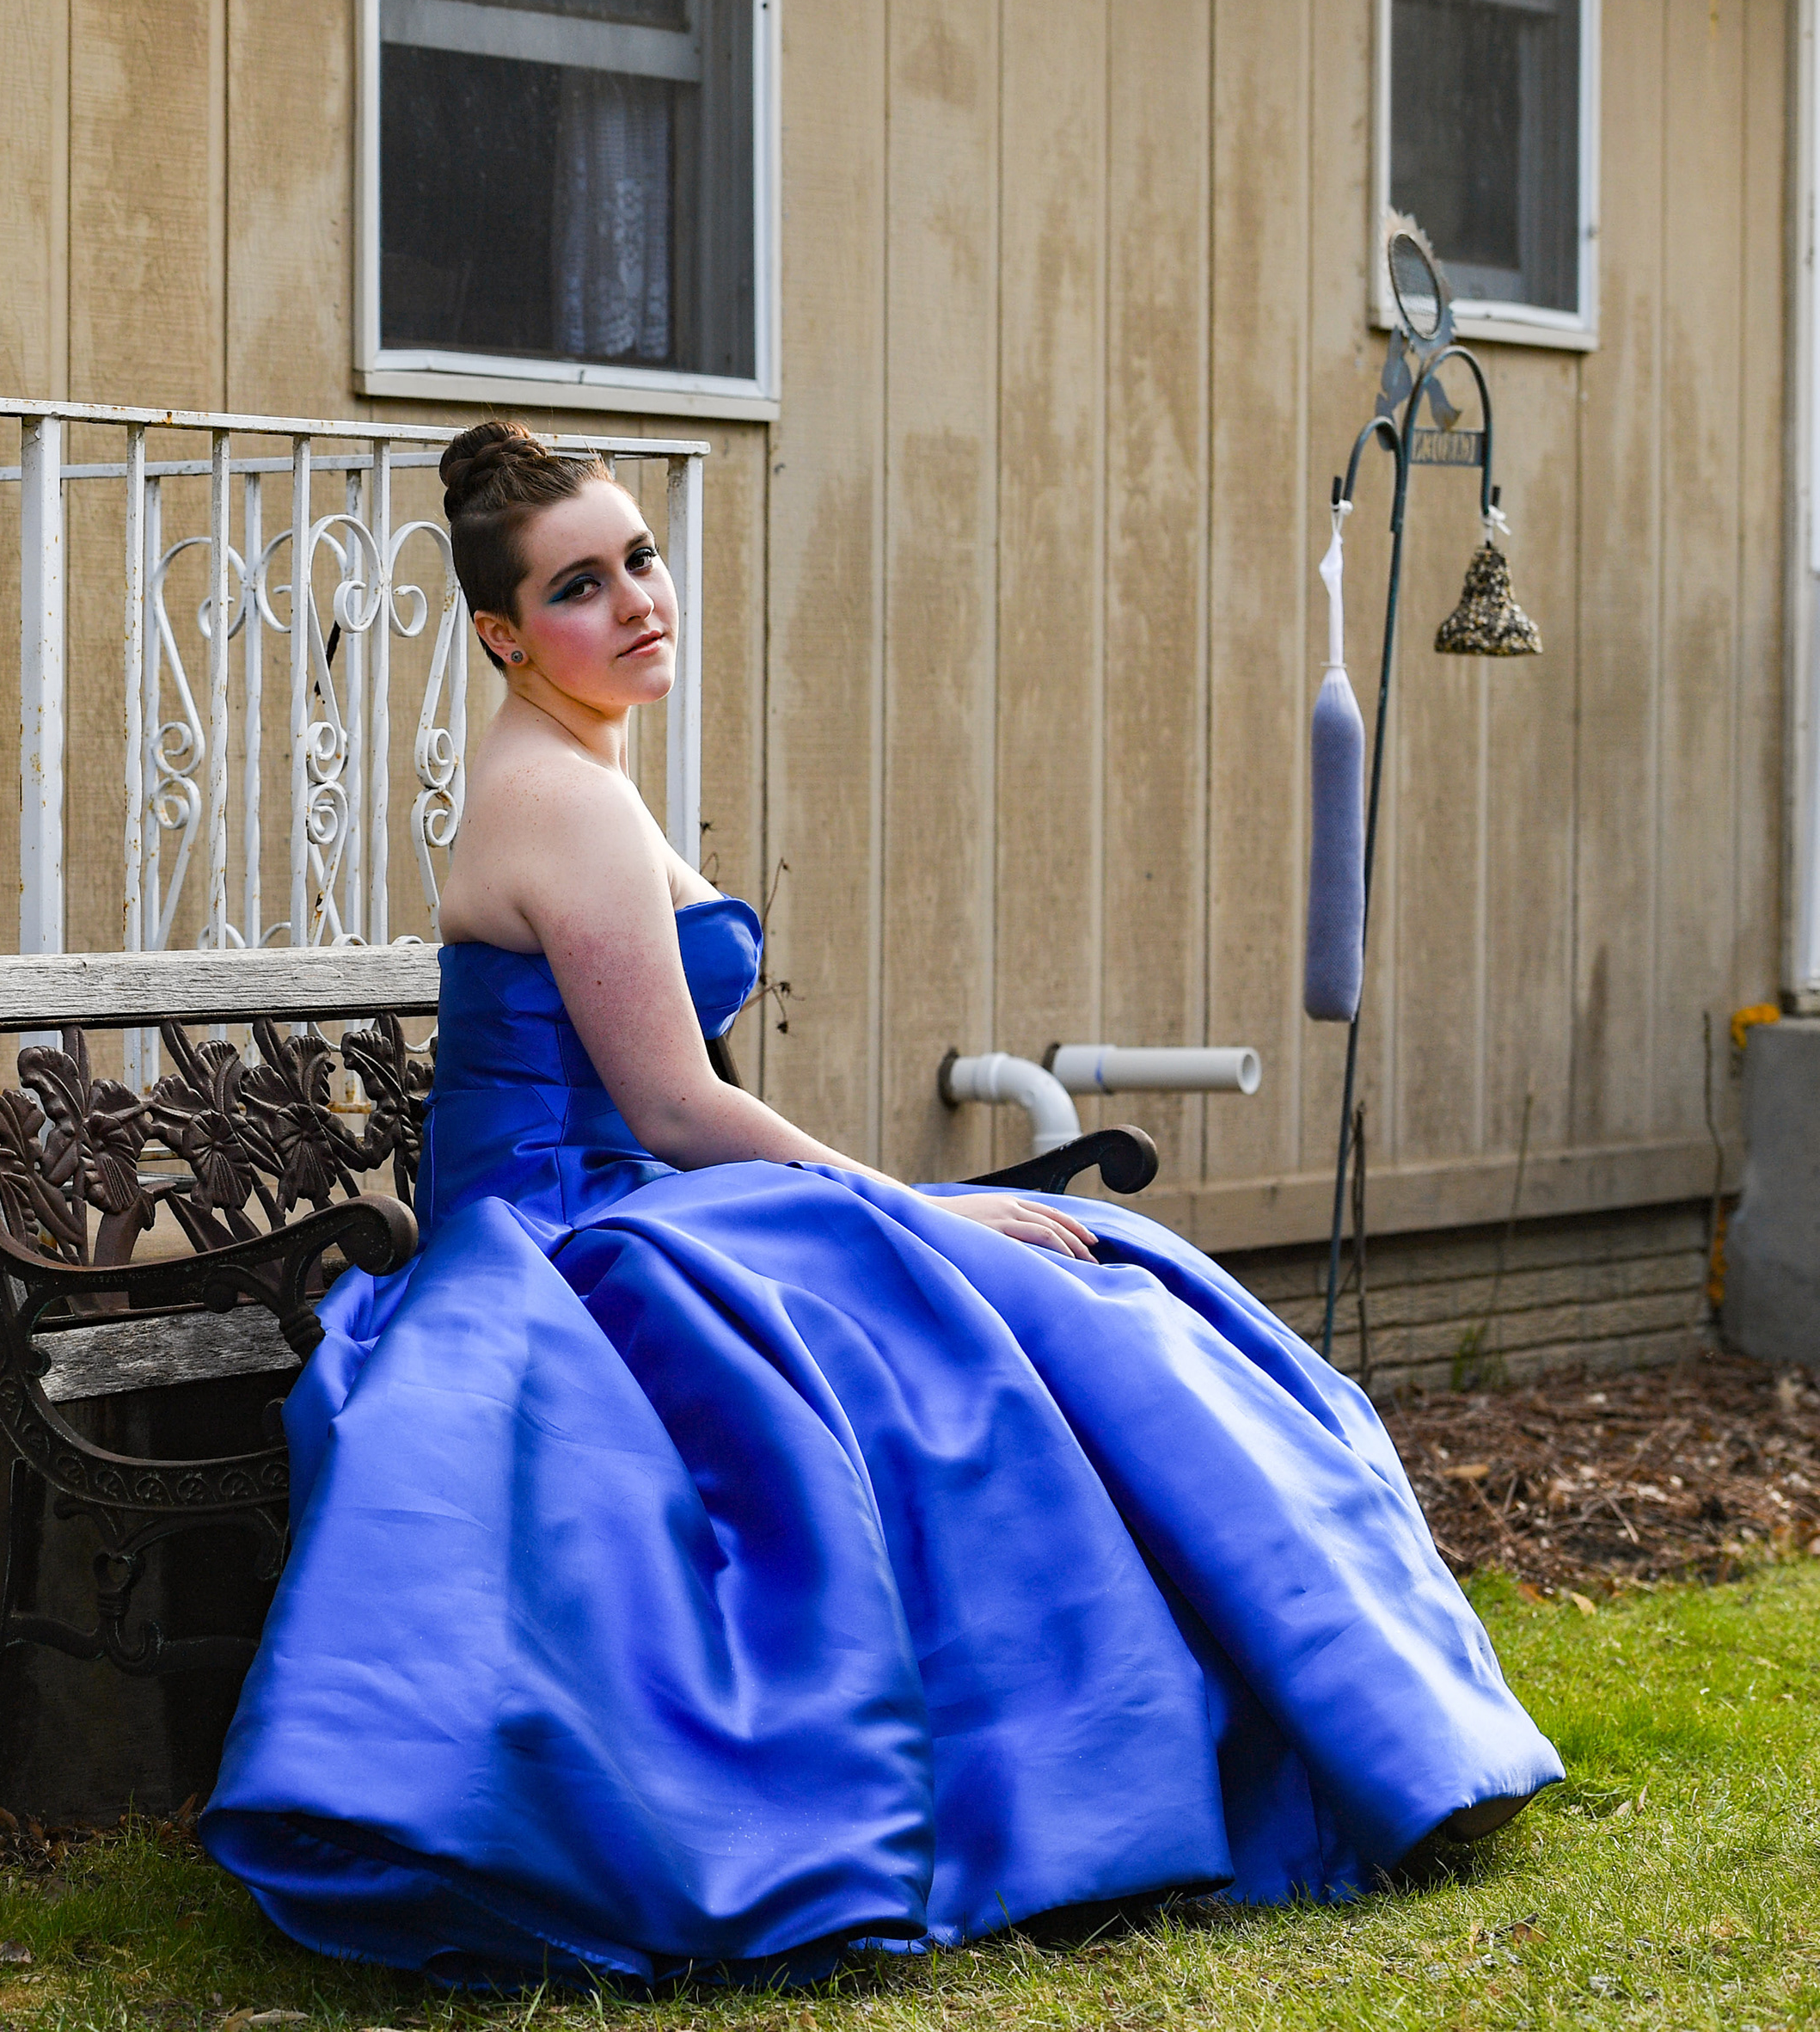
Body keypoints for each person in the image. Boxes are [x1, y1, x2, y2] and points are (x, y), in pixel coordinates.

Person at [193, 421, 1560, 1987]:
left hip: (624, 1192)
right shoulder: (556, 800)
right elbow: (673, 1106)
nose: (639, 598)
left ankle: (1247, 1729)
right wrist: (922, 1208)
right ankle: (1155, 1766)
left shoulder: (580, 765)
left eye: (640, 557)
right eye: (582, 585)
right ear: (504, 635)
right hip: (569, 1226)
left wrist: (908, 1210)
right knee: (1019, 1292)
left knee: (1100, 1271)